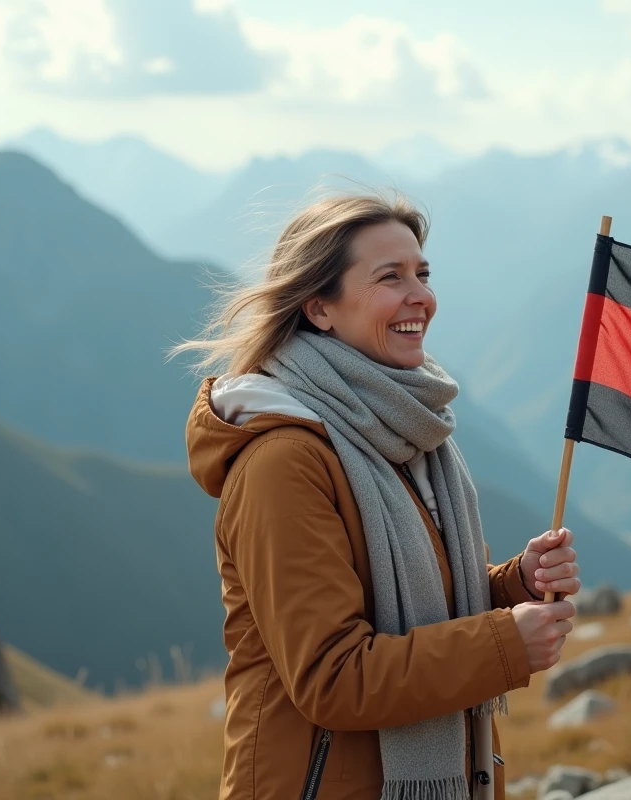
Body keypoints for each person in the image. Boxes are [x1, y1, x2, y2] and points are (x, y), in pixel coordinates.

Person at [179, 193, 581, 800]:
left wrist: (513, 585)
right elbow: (333, 677)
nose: (420, 295)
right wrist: (505, 642)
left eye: (422, 273)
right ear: (319, 308)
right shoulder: (283, 463)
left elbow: (420, 605)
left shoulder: (396, 428)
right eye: (389, 277)